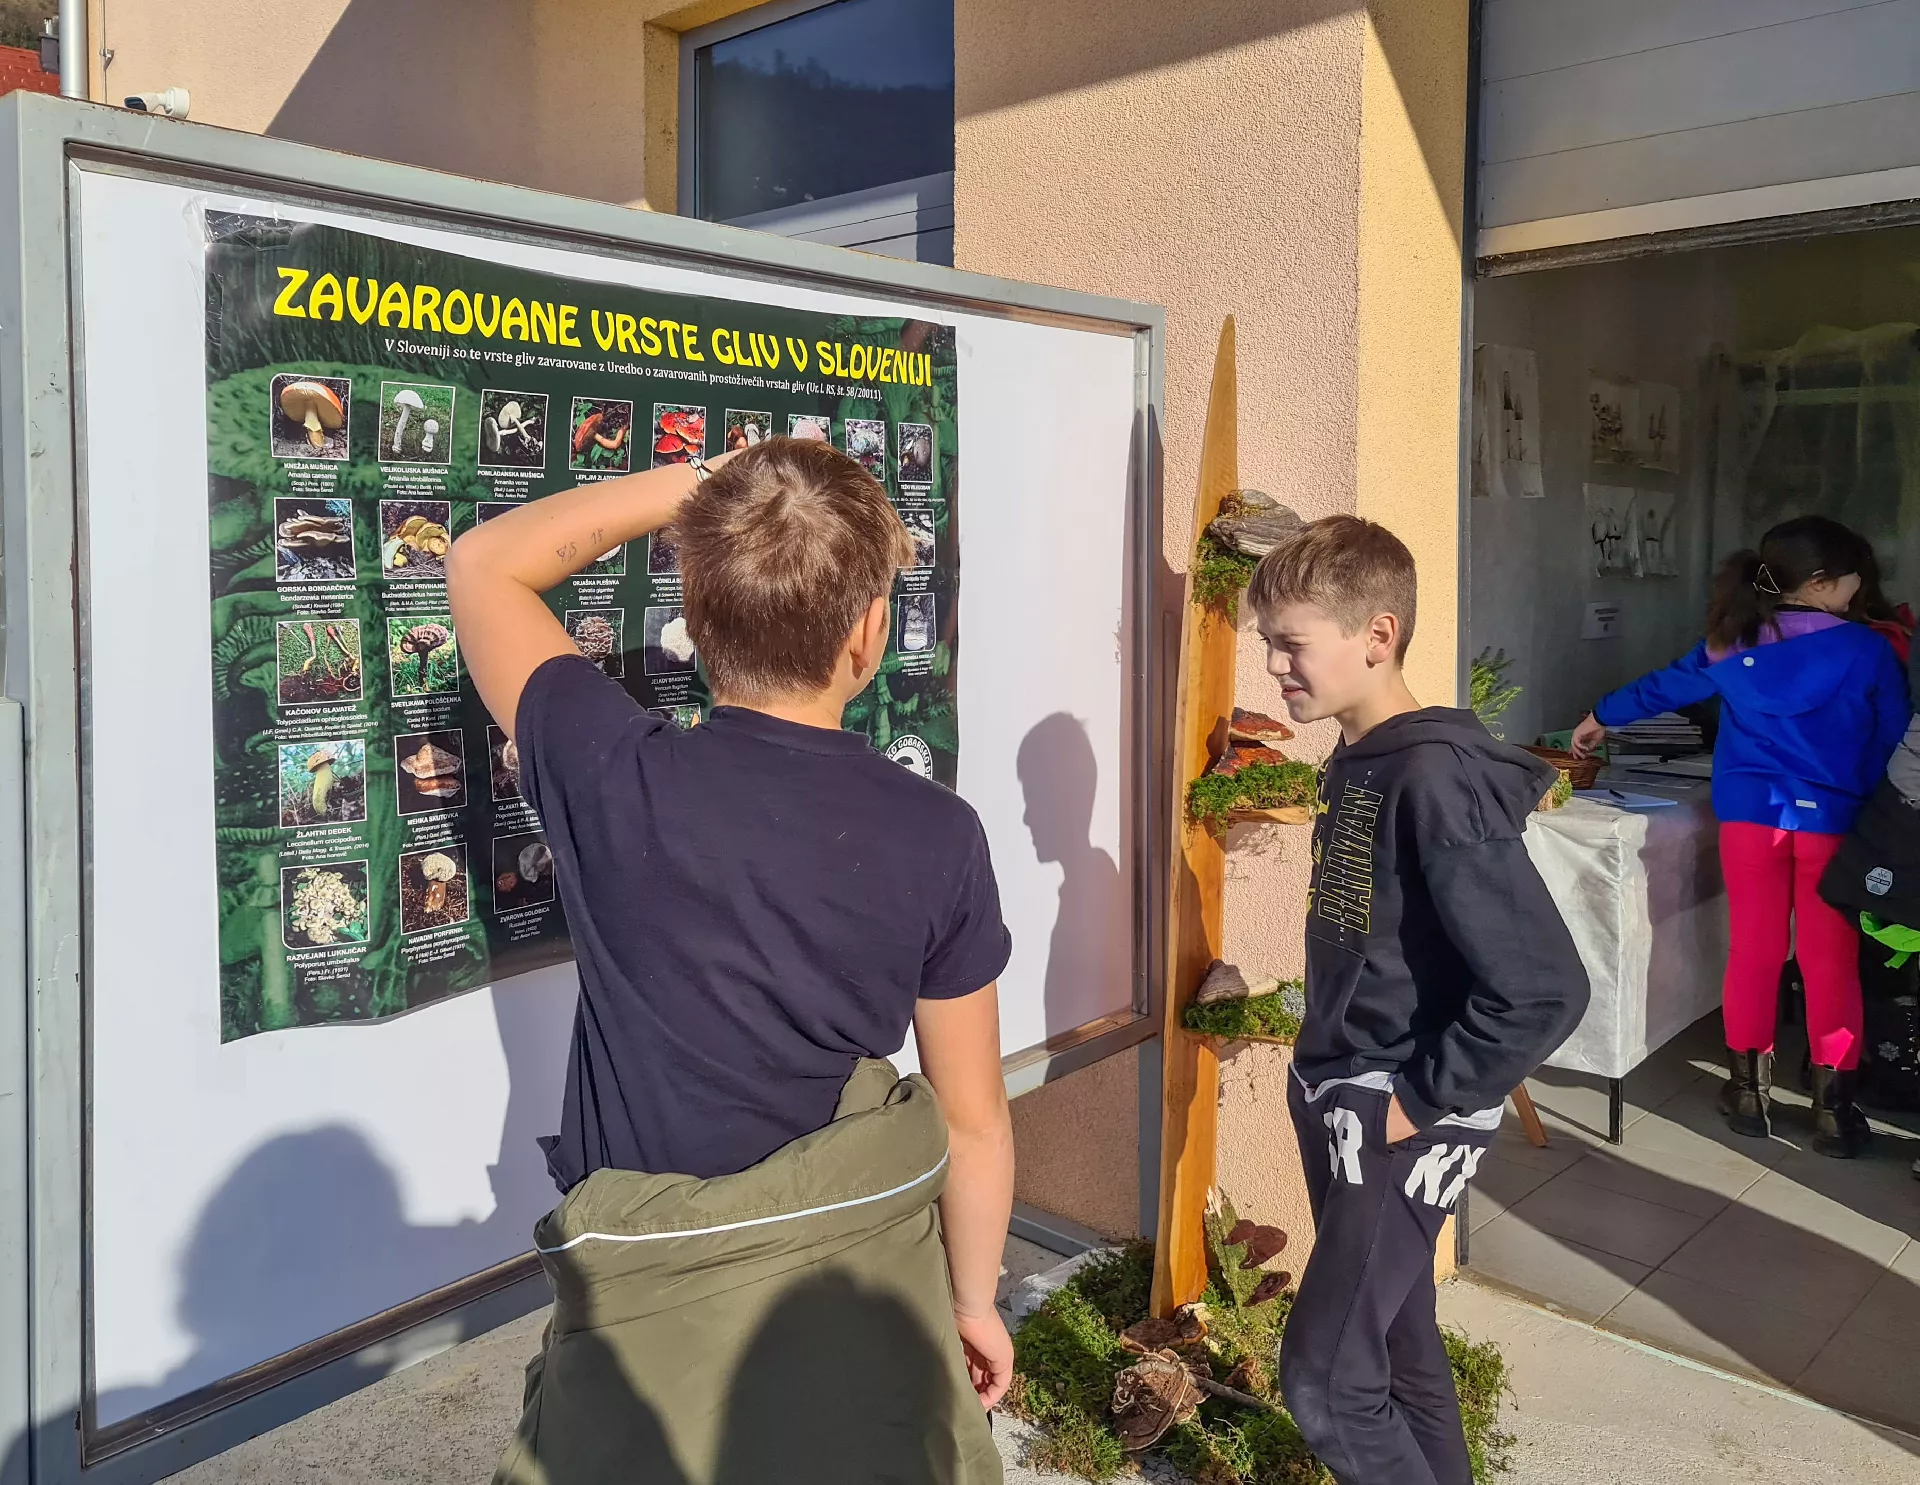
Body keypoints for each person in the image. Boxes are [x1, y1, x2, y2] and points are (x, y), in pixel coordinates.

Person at [447, 437, 1014, 1485]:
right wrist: (973, 1302)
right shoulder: (940, 835)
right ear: (871, 631)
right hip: (841, 1297)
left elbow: (483, 563)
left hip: (642, 1318)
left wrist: (693, 487)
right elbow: (974, 1118)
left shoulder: (611, 771)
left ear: (695, 619)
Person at [1251, 516, 1589, 1485]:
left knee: (1326, 1382)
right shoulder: (1362, 756)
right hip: (1345, 1092)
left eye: (1291, 643)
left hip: (1397, 1111)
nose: (1274, 666)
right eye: (1268, 642)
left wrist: (1414, 1102)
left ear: (1378, 635)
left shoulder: (1433, 774)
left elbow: (1544, 988)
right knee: (1398, 1345)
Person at [1571, 516, 1909, 1157]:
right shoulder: (1867, 650)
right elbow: (1894, 739)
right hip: (1834, 824)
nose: (1859, 589)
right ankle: (1834, 1113)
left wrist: (1600, 716)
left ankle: (1748, 1096)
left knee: (1754, 951)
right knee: (1830, 961)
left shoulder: (1733, 641)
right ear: (1820, 583)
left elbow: (1664, 685)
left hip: (1750, 820)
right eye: (1853, 579)